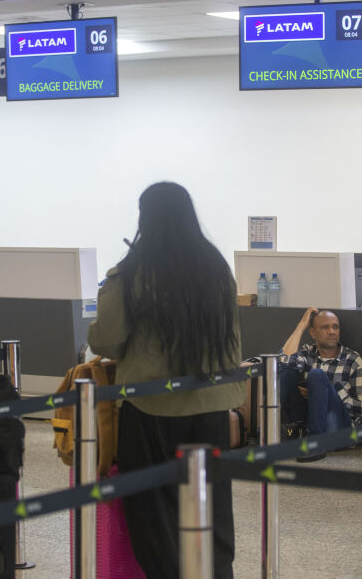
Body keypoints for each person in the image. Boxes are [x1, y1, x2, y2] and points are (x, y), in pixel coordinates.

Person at [88, 182, 244, 579]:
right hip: (211, 404)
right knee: (210, 507)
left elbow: (105, 339)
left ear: (146, 219)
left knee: (154, 514)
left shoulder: (134, 271)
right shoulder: (216, 267)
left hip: (151, 407)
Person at [279, 308, 362, 462]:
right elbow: (282, 362)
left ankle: (315, 443)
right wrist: (301, 325)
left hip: (339, 428)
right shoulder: (308, 353)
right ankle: (275, 433)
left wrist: (328, 390)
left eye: (335, 327)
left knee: (317, 375)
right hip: (308, 421)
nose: (332, 332)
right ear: (313, 332)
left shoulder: (353, 360)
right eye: (325, 327)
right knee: (287, 373)